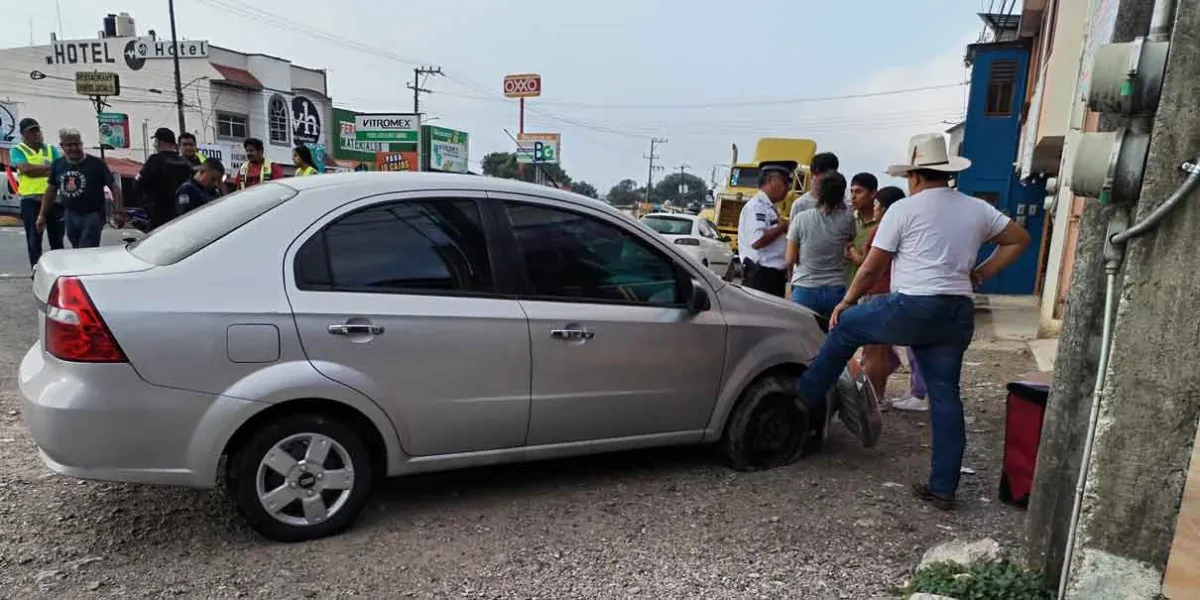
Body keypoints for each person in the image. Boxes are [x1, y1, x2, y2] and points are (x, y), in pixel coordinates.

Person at [795, 133, 1031, 510]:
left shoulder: (903, 210)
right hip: (956, 311)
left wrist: (848, 300)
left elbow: (872, 267)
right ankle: (942, 488)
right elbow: (1019, 239)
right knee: (945, 396)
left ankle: (802, 399)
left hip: (914, 305)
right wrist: (981, 274)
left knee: (848, 325)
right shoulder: (976, 209)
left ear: (915, 176)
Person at [855, 186, 906, 400]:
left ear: (885, 209)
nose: (874, 209)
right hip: (892, 290)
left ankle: (873, 397)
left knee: (873, 350)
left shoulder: (881, 230)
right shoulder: (904, 229)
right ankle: (879, 394)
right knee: (882, 349)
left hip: (876, 291)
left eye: (876, 205)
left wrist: (849, 250)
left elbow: (867, 264)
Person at [785, 171, 855, 323]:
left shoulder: (801, 219)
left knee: (802, 339)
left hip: (804, 288)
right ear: (842, 193)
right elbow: (849, 243)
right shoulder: (848, 219)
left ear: (819, 191)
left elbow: (790, 258)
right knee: (829, 340)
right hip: (835, 289)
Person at [37, 128, 123, 249]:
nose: (73, 148)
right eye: (69, 145)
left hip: (92, 215)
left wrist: (118, 211)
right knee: (77, 248)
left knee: (86, 249)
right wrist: (42, 215)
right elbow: (51, 190)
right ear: (62, 146)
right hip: (70, 214)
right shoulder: (58, 164)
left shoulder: (96, 164)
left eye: (77, 144)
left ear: (81, 144)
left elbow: (114, 187)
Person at [9, 118, 64, 268]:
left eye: (37, 130)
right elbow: (25, 169)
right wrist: (49, 169)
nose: (36, 134)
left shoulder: (51, 149)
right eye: (31, 131)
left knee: (57, 239)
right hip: (31, 200)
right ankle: (36, 270)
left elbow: (60, 169)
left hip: (54, 199)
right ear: (23, 134)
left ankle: (59, 269)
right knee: (34, 239)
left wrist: (36, 170)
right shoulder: (18, 150)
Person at [736, 160, 794, 297]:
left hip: (772, 278)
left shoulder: (770, 207)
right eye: (785, 183)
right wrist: (783, 227)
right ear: (771, 180)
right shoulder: (757, 207)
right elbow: (757, 240)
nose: (788, 188)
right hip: (762, 278)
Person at [136, 128, 194, 230]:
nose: (154, 144)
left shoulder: (155, 160)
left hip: (158, 218)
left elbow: (138, 184)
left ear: (159, 142)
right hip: (182, 216)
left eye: (155, 141)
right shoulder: (186, 163)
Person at [845, 172, 879, 284]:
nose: (853, 197)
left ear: (873, 193)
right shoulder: (850, 219)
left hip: (869, 288)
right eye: (852, 191)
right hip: (846, 283)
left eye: (859, 191)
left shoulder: (880, 224)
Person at [790, 151, 839, 220]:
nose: (828, 182)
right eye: (824, 179)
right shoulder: (800, 205)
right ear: (813, 175)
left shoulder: (841, 204)